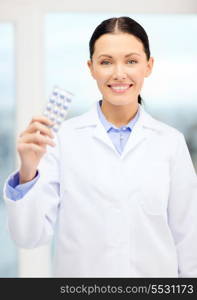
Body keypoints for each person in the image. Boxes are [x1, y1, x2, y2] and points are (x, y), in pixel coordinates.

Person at [4, 16, 197, 278]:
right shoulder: (62, 139)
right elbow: (29, 236)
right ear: (91, 67)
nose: (119, 73)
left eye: (131, 61)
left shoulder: (170, 143)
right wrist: (27, 170)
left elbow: (189, 242)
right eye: (106, 62)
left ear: (148, 66)